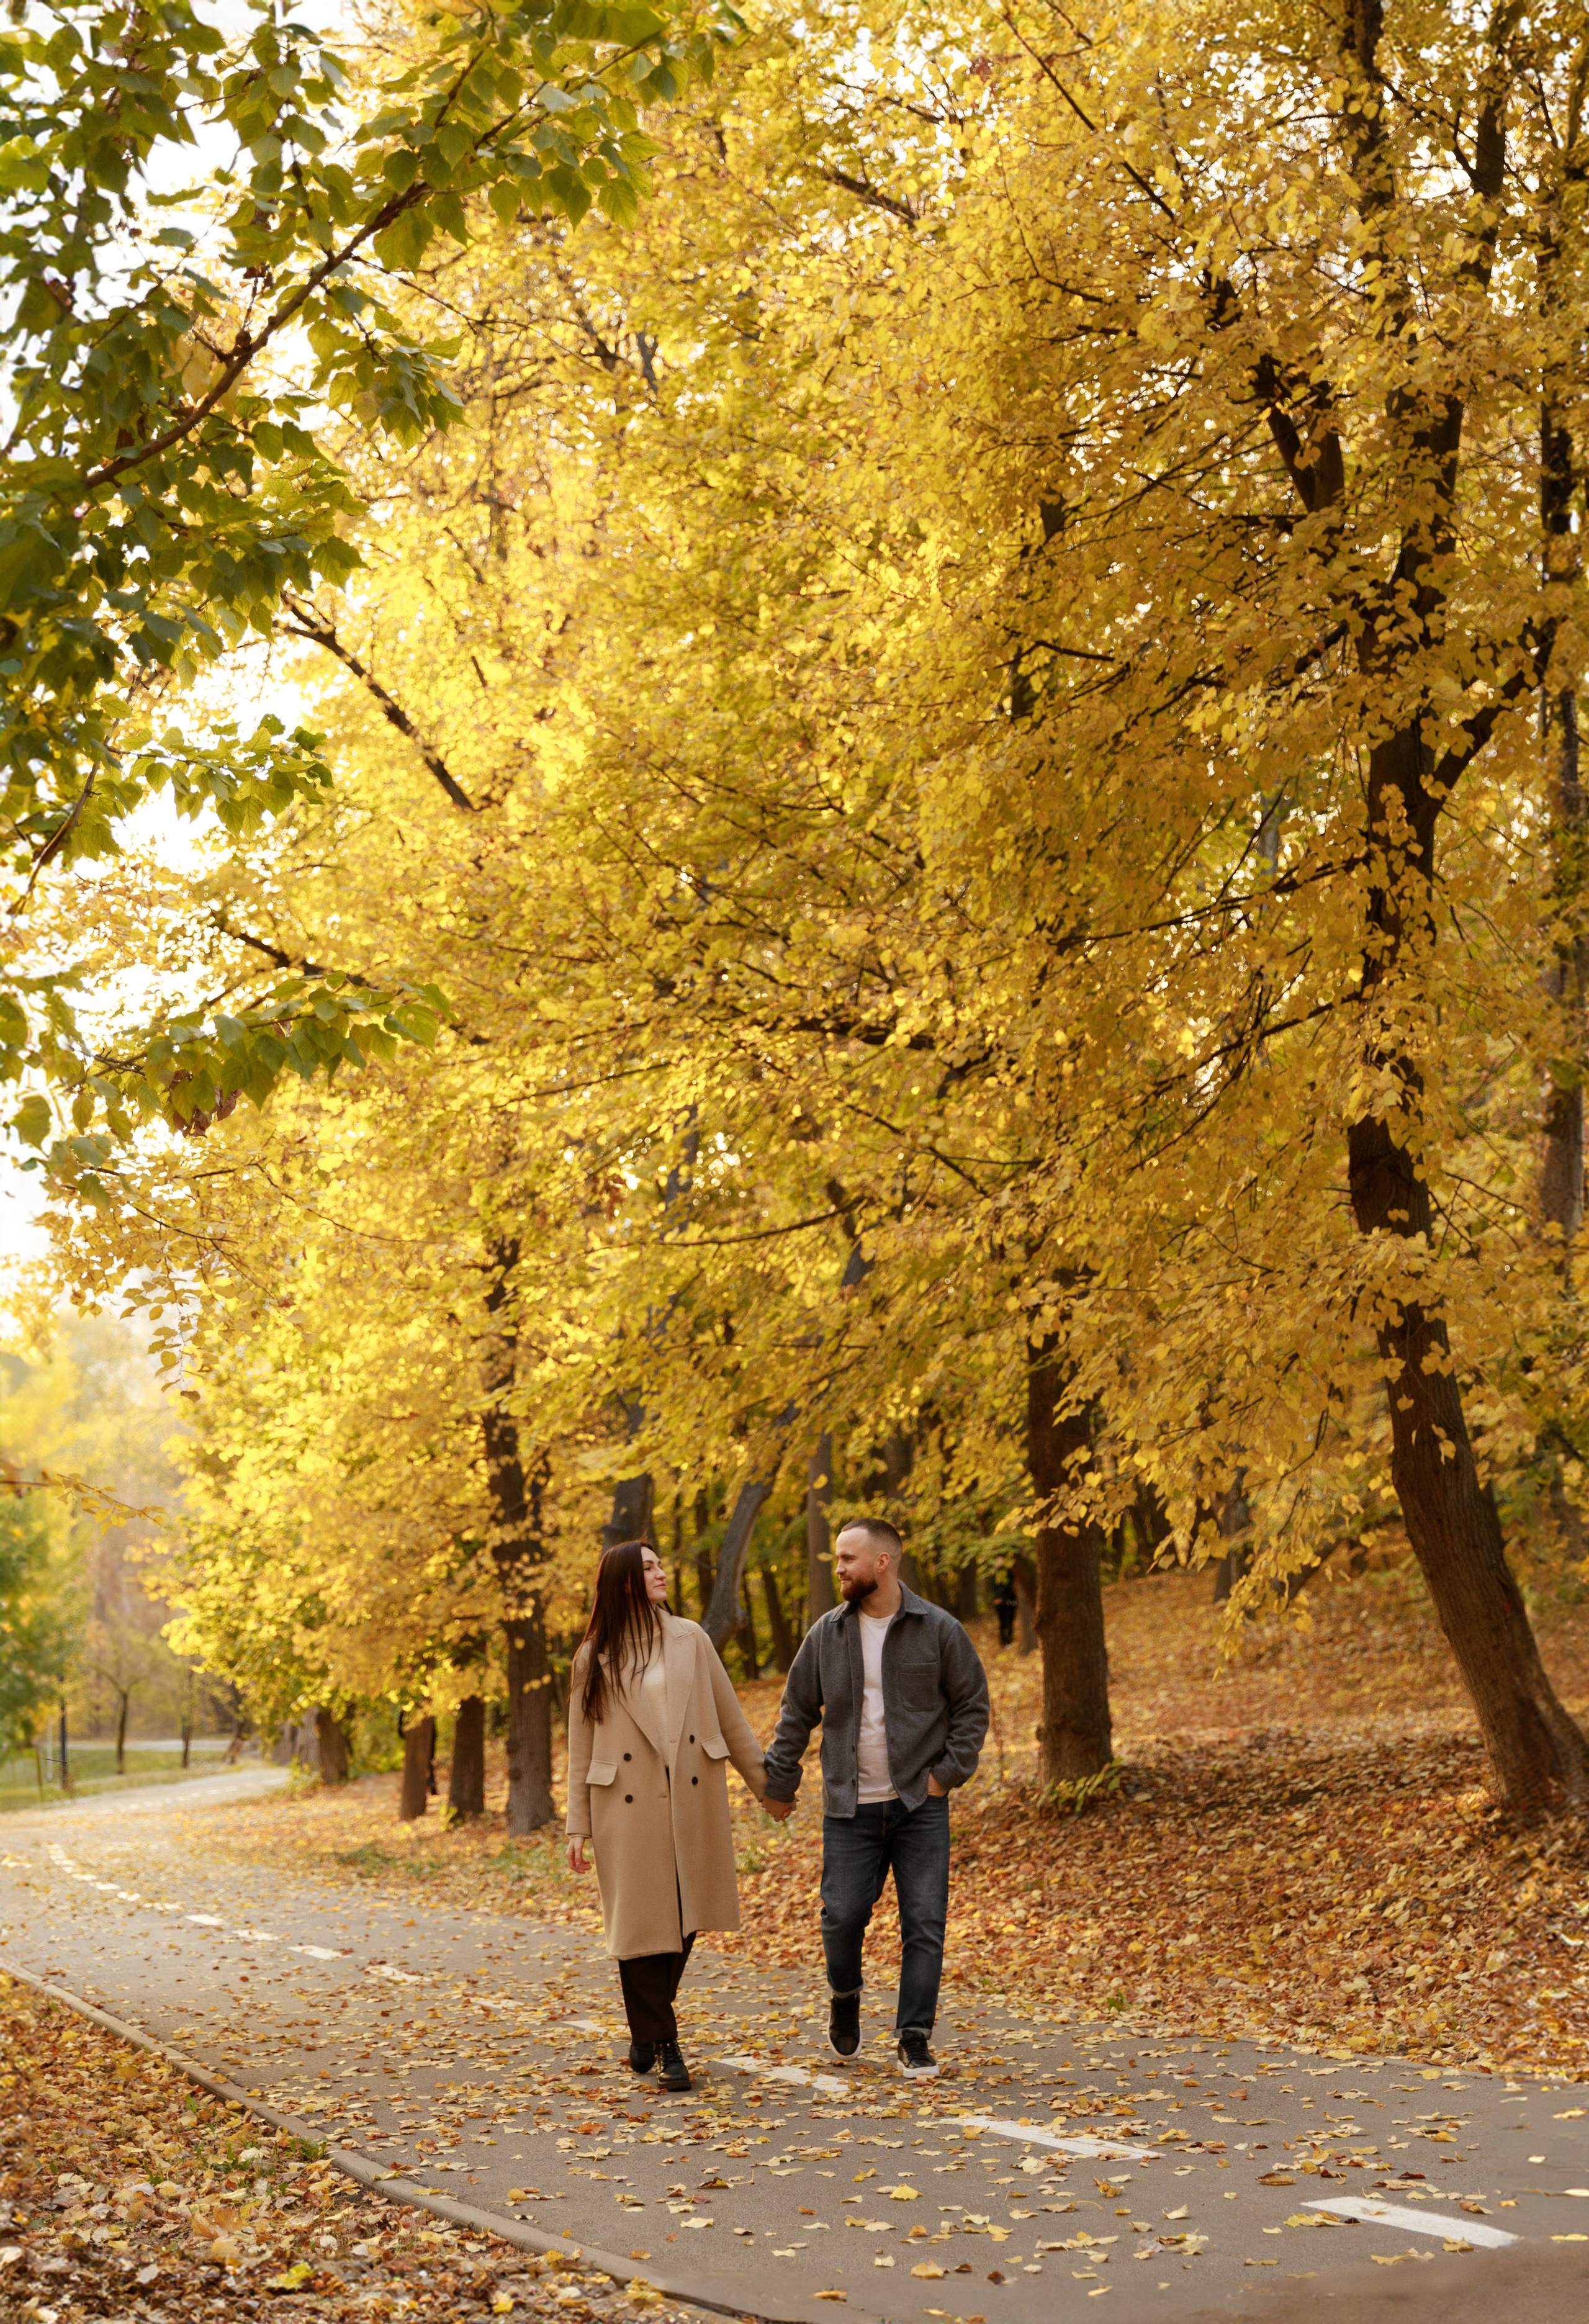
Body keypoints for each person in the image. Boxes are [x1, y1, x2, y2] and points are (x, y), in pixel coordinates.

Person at [761, 1517, 989, 2077]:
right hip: (849, 1808)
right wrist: (780, 1785)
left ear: (882, 1563)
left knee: (925, 1923)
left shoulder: (938, 1629)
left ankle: (914, 2035)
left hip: (919, 1807)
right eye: (838, 1558)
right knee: (841, 1917)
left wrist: (944, 1777)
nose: (838, 1568)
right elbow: (796, 1713)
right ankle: (845, 1994)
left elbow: (972, 1706)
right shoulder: (827, 1634)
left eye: (847, 1559)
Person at [566, 1538, 768, 2091]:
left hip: (690, 1797)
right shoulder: (593, 1656)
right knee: (641, 1925)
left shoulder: (690, 1638)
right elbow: (580, 1748)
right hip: (623, 1805)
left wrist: (769, 1790)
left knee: (684, 1916)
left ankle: (645, 2025)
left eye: (661, 1565)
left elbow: (731, 1719)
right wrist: (577, 1824)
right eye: (649, 1568)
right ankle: (665, 2042)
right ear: (625, 1582)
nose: (661, 1573)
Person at [993, 1568, 1019, 1649]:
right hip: (1001, 1603)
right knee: (1003, 1622)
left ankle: (1008, 1641)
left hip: (1010, 1601)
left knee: (1009, 1622)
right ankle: (1003, 1641)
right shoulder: (995, 1573)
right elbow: (994, 1587)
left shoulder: (1010, 1572)